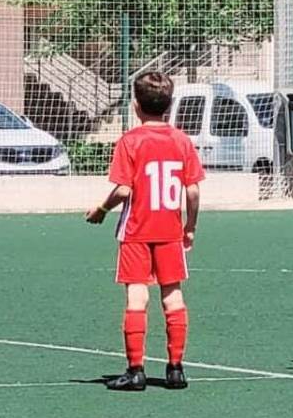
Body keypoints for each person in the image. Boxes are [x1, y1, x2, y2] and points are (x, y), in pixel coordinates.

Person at [86, 72, 204, 391]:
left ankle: (136, 370)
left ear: (136, 105)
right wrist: (190, 226)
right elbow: (192, 190)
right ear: (169, 105)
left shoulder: (130, 141)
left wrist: (101, 209)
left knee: (137, 296)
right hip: (170, 231)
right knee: (173, 295)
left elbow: (124, 190)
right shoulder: (181, 141)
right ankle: (176, 369)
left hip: (136, 231)